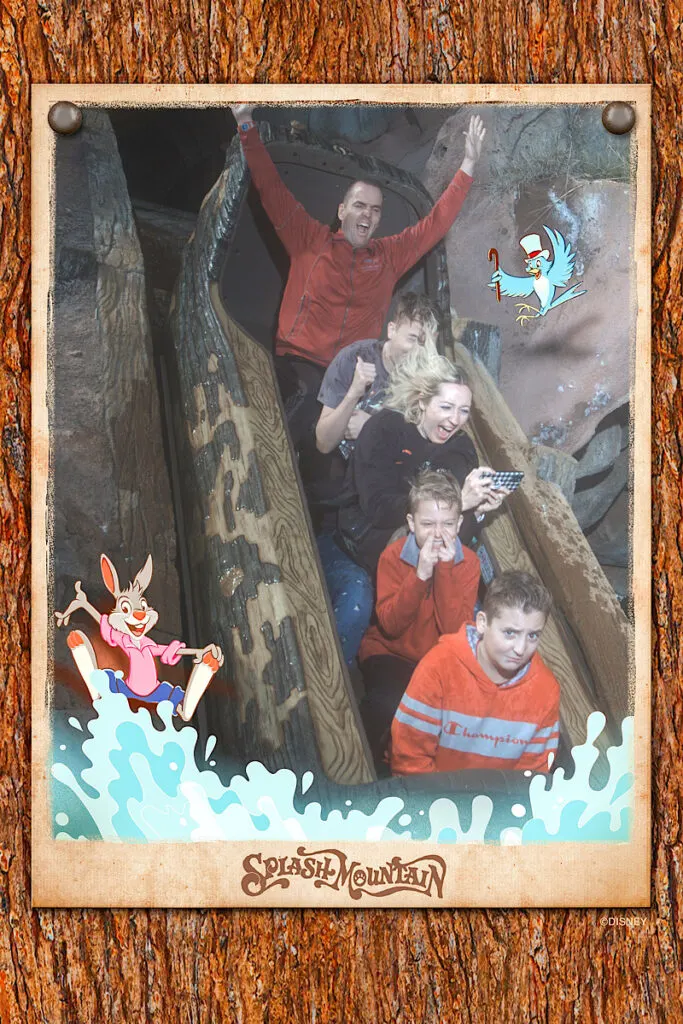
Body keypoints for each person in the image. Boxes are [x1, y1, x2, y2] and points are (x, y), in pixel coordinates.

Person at [228, 103, 486, 444]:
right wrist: (245, 123)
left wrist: (467, 166)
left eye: (375, 210)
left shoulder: (388, 255)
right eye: (360, 205)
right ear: (343, 210)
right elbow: (270, 186)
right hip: (302, 363)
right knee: (304, 418)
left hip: (358, 373)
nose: (367, 214)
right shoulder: (308, 238)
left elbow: (435, 224)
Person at [335, 344, 507, 576]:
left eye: (464, 410)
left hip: (427, 559)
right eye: (446, 407)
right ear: (422, 400)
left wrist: (476, 512)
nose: (455, 419)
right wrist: (457, 505)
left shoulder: (461, 448)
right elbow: (376, 508)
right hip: (361, 544)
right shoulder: (385, 428)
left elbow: (455, 537)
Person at [358, 469, 481, 773]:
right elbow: (391, 625)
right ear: (411, 524)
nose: (438, 534)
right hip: (390, 652)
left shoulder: (469, 564)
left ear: (459, 523)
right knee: (388, 704)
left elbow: (455, 631)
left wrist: (445, 571)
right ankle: (370, 767)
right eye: (427, 524)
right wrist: (420, 574)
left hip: (437, 660)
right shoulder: (393, 557)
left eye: (447, 524)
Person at [390, 571, 561, 776]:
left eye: (532, 635)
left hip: (499, 804)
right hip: (432, 798)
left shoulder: (546, 692)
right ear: (482, 623)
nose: (520, 648)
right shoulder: (438, 667)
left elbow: (531, 778)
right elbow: (410, 758)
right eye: (510, 633)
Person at [315, 291, 440, 463]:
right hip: (340, 463)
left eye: (424, 343)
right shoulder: (355, 357)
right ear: (392, 330)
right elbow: (324, 444)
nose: (418, 351)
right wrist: (354, 393)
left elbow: (424, 453)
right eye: (412, 339)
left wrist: (372, 428)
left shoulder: (434, 382)